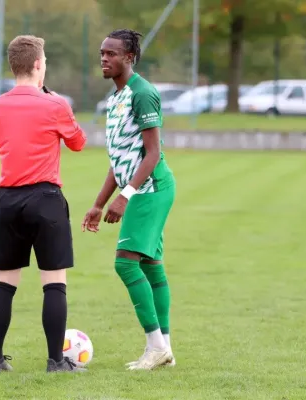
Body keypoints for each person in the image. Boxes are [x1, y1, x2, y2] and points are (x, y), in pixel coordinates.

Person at [0, 35, 87, 374]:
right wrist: (59, 104)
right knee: (54, 282)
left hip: (9, 200)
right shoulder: (55, 104)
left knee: (4, 281)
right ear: (39, 65)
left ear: (13, 66)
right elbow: (78, 143)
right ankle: (56, 361)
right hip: (46, 199)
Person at [81, 29, 176, 371]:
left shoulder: (143, 93)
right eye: (101, 53)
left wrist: (124, 198)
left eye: (111, 53)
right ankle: (166, 349)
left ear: (130, 57)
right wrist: (98, 203)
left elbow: (153, 154)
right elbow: (119, 157)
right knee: (151, 266)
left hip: (152, 188)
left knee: (125, 262)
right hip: (139, 188)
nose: (104, 58)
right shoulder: (115, 97)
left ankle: (156, 346)